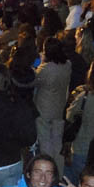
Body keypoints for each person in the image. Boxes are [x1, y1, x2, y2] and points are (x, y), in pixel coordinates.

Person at [34, 38, 72, 175]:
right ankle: (59, 173)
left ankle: (48, 172)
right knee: (57, 142)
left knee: (46, 143)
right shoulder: (68, 65)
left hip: (43, 109)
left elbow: (35, 83)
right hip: (59, 107)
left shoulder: (44, 69)